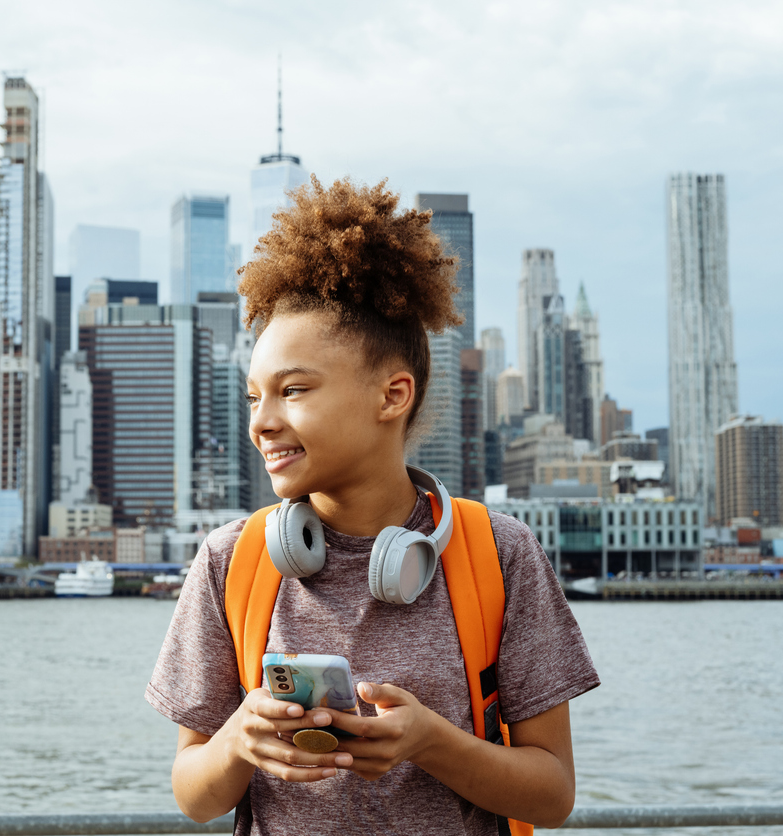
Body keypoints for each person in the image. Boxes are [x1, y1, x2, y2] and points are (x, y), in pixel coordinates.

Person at [145, 176, 599, 835]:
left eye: (292, 390)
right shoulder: (230, 560)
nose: (261, 422)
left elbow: (552, 796)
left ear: (393, 395)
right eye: (254, 397)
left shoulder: (499, 554)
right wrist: (237, 739)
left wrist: (430, 743)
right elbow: (193, 794)